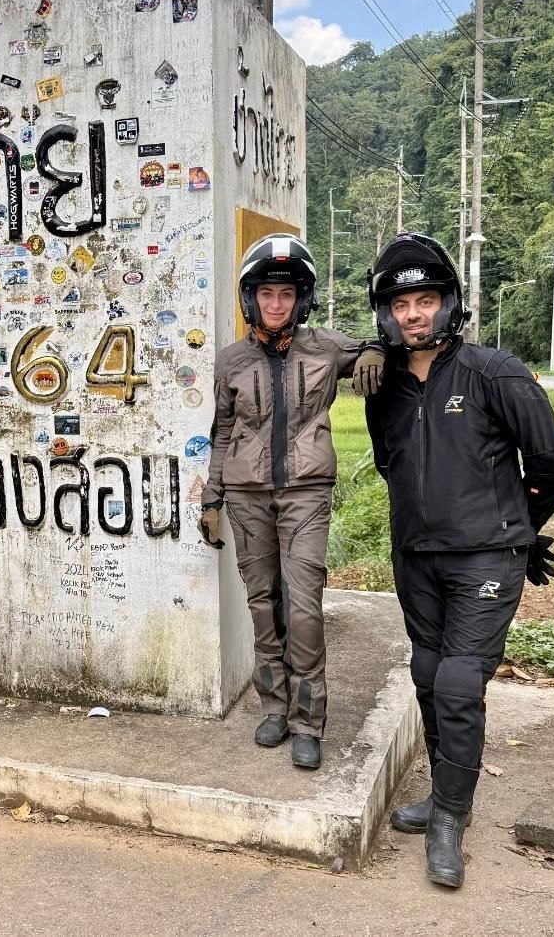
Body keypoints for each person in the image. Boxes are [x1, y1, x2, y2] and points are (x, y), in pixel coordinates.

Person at [363, 233, 554, 889]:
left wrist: (518, 531)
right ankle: (440, 796)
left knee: (458, 683)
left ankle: (451, 819)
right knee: (428, 674)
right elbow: (390, 463)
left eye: (425, 300)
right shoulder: (383, 385)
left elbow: (551, 463)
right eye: (401, 305)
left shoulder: (494, 372)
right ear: (386, 314)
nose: (414, 314)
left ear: (449, 303)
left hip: (485, 557)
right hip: (416, 556)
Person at [198, 234, 384, 771]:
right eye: (266, 293)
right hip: (246, 496)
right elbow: (222, 431)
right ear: (250, 298)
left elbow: (381, 345)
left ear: (302, 299)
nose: (276, 304)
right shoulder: (231, 361)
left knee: (303, 608)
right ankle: (274, 708)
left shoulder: (325, 347)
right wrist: (212, 496)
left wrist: (374, 351)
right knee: (263, 605)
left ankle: (308, 721)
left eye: (286, 294)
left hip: (306, 494)